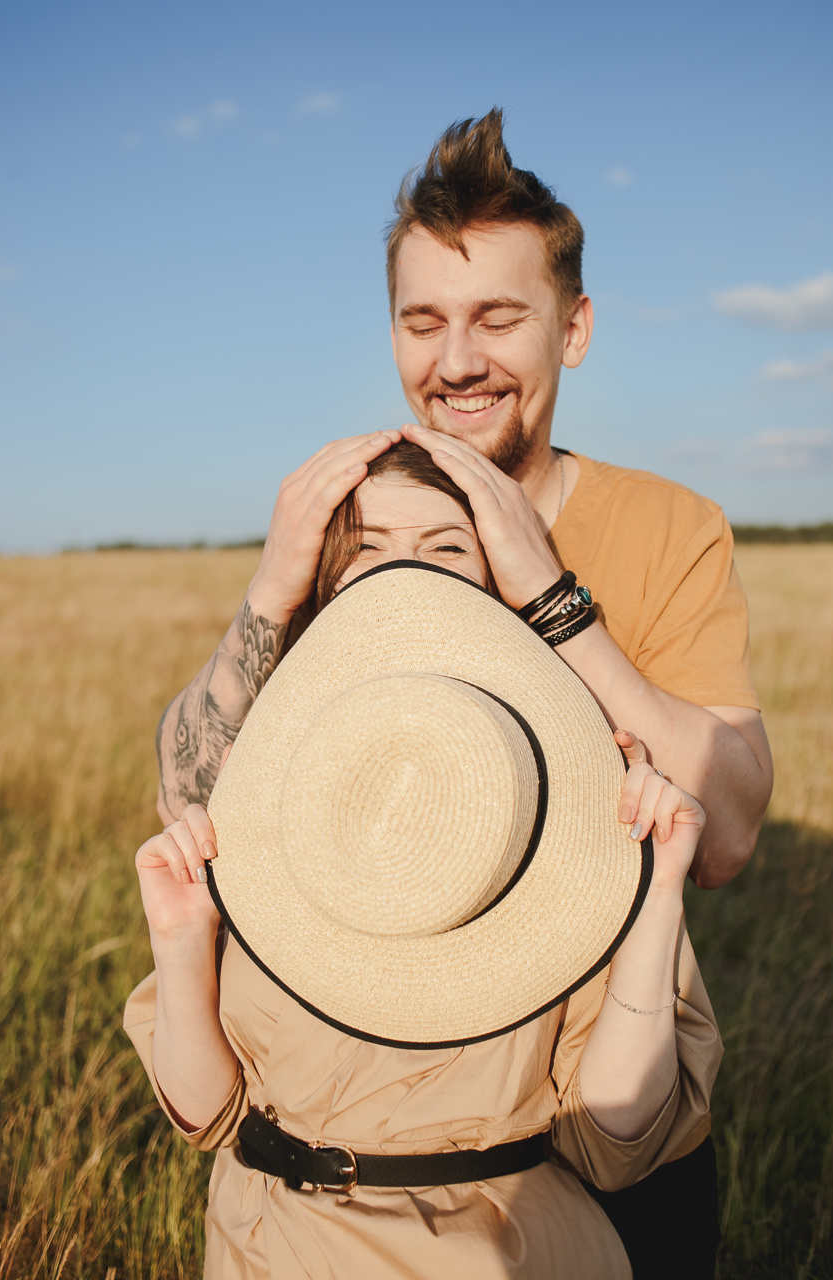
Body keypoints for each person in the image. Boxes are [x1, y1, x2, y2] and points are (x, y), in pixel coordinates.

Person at [153, 112, 774, 1272]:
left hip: (590, 1100)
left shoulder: (665, 527)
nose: (456, 361)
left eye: (498, 316)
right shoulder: (359, 514)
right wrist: (273, 594)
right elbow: (199, 807)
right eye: (423, 320)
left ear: (573, 328)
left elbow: (730, 830)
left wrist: (550, 599)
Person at [127, 448, 723, 1279]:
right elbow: (205, 1116)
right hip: (261, 1245)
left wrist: (657, 895)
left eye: (446, 547)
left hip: (498, 1253)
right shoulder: (266, 802)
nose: (403, 568)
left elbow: (616, 1145)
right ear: (319, 576)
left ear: (495, 582)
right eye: (365, 546)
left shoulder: (577, 813)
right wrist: (183, 942)